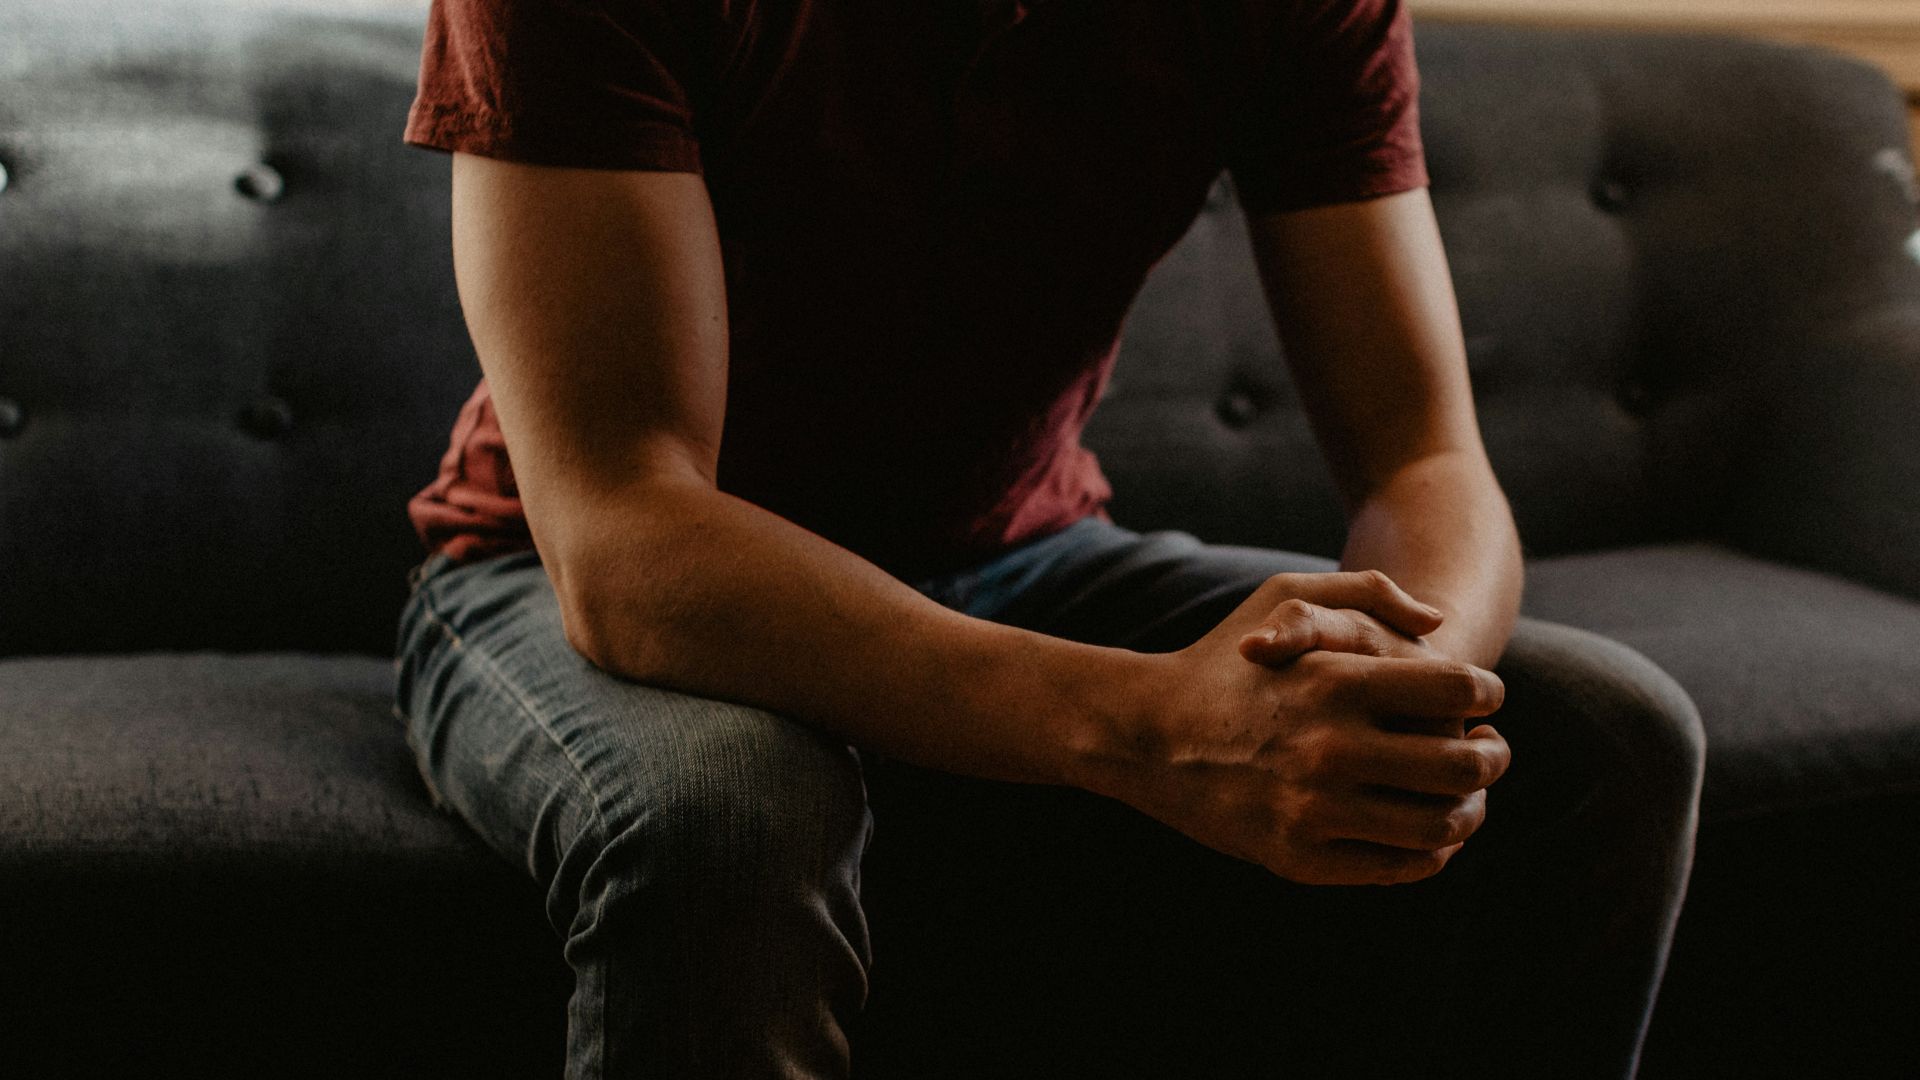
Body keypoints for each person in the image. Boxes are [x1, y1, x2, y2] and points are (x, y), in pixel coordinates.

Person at [392, 0, 1705, 1076]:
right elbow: (624, 536)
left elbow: (1426, 457)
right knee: (732, 819)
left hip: (1019, 555)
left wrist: (1400, 694)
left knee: (1603, 735)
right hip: (550, 572)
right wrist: (1152, 727)